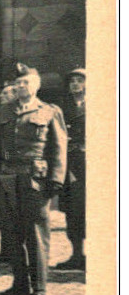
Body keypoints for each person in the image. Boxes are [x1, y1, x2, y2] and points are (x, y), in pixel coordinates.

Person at [0, 63, 68, 295]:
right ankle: (19, 283)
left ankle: (39, 284)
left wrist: (56, 179)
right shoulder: (2, 113)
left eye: (26, 82)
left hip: (36, 180)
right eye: (18, 83)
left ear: (36, 85)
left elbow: (59, 149)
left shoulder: (50, 112)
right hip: (8, 178)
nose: (21, 86)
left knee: (37, 232)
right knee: (12, 233)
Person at [54, 68, 86, 271]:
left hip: (91, 165)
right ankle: (77, 254)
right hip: (70, 164)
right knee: (72, 211)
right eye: (72, 81)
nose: (75, 84)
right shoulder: (62, 108)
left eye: (80, 80)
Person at [0, 81, 18, 263]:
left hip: (13, 169)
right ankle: (6, 249)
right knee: (3, 212)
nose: (1, 97)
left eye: (6, 94)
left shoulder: (17, 115)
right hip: (0, 169)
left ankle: (14, 250)